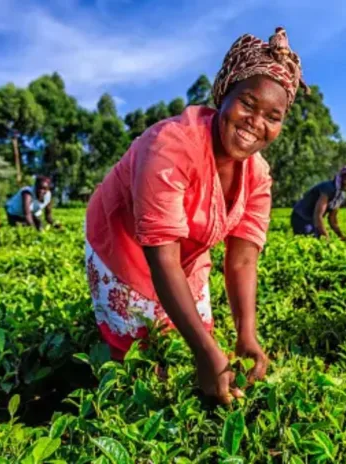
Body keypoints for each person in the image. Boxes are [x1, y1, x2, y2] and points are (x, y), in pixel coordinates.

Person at [84, 27, 307, 404]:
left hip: (187, 249)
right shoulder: (170, 145)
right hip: (123, 243)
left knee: (196, 341)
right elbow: (162, 258)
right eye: (247, 104)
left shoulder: (258, 176)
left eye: (273, 116)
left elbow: (242, 261)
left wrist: (246, 336)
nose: (256, 122)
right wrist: (206, 354)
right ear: (224, 95)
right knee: (140, 359)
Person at [291, 165, 346, 240]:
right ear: (342, 177)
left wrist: (340, 235)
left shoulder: (341, 196)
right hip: (301, 216)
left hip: (313, 220)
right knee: (308, 239)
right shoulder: (328, 188)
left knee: (317, 238)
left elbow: (332, 219)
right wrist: (326, 236)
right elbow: (318, 215)